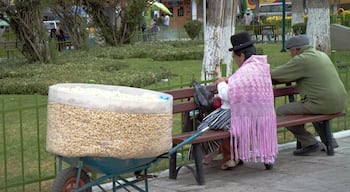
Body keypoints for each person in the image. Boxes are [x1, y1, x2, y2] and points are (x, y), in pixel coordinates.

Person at [190, 32, 278, 170]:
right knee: (225, 128)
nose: (235, 60)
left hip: (238, 115)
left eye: (235, 57)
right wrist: (230, 81)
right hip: (260, 116)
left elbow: (228, 95)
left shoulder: (245, 71)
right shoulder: (261, 67)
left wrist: (220, 83)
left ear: (241, 56)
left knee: (203, 128)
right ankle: (231, 156)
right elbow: (244, 87)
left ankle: (202, 158)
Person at [271, 35, 347, 156]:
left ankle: (310, 144)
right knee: (314, 109)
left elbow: (276, 73)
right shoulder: (321, 55)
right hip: (340, 102)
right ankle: (330, 141)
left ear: (295, 50)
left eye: (291, 51)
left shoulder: (302, 59)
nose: (291, 55)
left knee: (281, 111)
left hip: (322, 104)